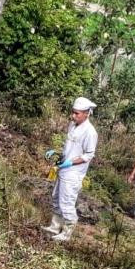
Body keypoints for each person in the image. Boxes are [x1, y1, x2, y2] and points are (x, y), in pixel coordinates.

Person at [42, 97, 98, 241]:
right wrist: (58, 154)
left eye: (77, 113)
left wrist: (70, 163)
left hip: (74, 173)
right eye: (73, 112)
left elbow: (88, 155)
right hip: (63, 168)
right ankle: (55, 226)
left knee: (66, 202)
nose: (73, 116)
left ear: (87, 113)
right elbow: (70, 147)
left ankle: (67, 232)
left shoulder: (90, 132)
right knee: (56, 198)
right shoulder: (72, 125)